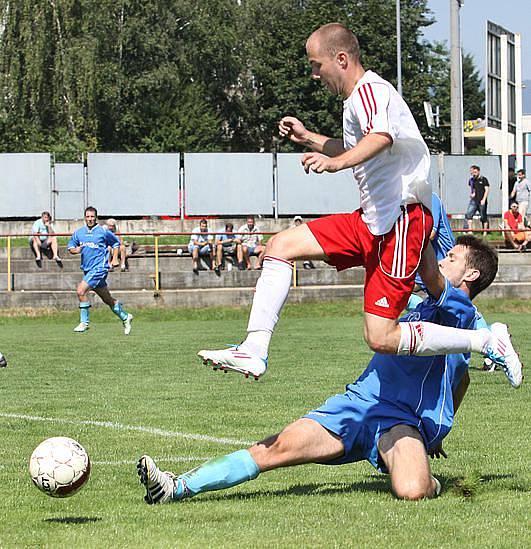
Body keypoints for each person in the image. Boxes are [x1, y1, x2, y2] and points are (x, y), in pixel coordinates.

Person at [198, 23, 521, 384]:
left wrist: (336, 164)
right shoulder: (356, 101)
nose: (313, 73)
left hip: (400, 221)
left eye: (316, 64)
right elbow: (360, 144)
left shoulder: (370, 90)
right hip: (372, 220)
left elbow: (380, 137)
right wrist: (309, 139)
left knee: (380, 336)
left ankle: (485, 339)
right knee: (281, 245)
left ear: (341, 59)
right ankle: (254, 349)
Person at [139, 236, 519, 505]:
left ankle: (428, 479)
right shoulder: (426, 305)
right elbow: (462, 374)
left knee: (413, 490)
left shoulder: (460, 311)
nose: (441, 261)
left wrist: (434, 434)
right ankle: (175, 487)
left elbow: (460, 374)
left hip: (400, 423)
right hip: (357, 406)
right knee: (275, 449)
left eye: (451, 258)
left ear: (470, 277)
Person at [67, 206, 133, 334]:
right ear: (84, 218)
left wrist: (114, 258)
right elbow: (70, 247)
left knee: (80, 291)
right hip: (87, 270)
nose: (90, 219)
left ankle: (84, 322)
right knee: (107, 299)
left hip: (99, 268)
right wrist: (76, 250)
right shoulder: (79, 232)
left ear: (96, 217)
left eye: (92, 217)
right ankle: (125, 317)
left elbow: (115, 243)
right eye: (88, 217)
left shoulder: (103, 231)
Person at [464, 165, 490, 233]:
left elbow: (487, 190)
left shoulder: (483, 179)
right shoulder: (472, 180)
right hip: (474, 201)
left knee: (483, 216)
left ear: (478, 171)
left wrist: (484, 199)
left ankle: (485, 232)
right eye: (473, 172)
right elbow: (474, 189)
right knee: (469, 214)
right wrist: (473, 194)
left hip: (482, 200)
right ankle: (470, 230)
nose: (474, 174)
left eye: (475, 172)